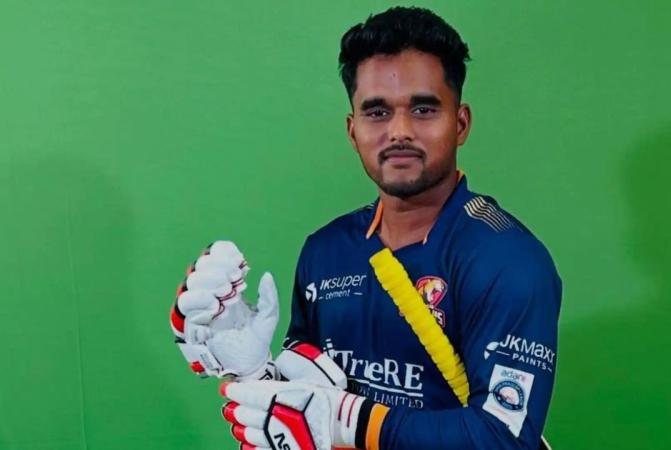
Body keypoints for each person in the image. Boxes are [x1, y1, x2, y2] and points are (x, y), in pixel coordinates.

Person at [171, 6, 561, 450]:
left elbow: (504, 438)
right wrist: (254, 372)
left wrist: (350, 419)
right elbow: (308, 414)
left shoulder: (508, 262)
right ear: (352, 130)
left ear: (460, 124)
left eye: (423, 109)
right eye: (377, 112)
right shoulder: (326, 251)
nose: (399, 131)